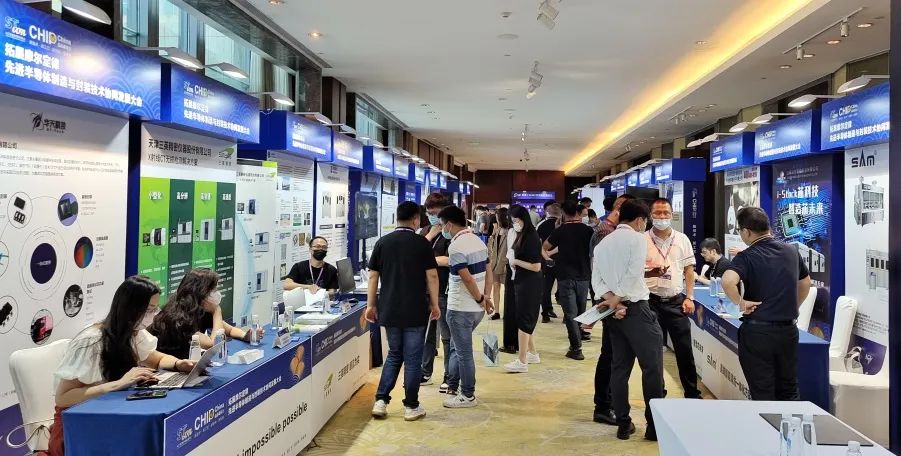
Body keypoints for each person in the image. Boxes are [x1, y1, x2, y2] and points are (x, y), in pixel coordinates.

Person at [49, 276, 195, 456]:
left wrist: (178, 363)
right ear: (130, 308)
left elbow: (155, 359)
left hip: (111, 414)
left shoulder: (134, 333)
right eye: (149, 309)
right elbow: (63, 398)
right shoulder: (91, 342)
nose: (153, 314)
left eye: (155, 308)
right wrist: (118, 384)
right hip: (78, 426)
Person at [721, 207, 811, 401]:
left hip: (758, 333)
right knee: (789, 389)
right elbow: (806, 283)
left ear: (746, 232)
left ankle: (766, 421)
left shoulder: (746, 256)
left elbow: (727, 281)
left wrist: (740, 302)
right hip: (788, 331)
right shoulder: (791, 251)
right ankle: (790, 421)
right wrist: (793, 306)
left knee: (763, 391)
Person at [592, 199, 663, 441]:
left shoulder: (604, 242)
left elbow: (596, 281)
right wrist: (618, 300)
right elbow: (633, 275)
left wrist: (612, 301)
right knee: (652, 368)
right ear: (640, 220)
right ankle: (654, 426)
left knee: (620, 368)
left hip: (615, 313)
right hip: (637, 311)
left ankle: (623, 423)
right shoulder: (637, 239)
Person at [367, 201, 440, 421]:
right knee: (413, 358)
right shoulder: (421, 243)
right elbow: (432, 276)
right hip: (415, 308)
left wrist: (371, 305)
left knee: (394, 354)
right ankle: (411, 406)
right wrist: (435, 303)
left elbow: (373, 276)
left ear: (397, 218)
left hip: (389, 307)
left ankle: (381, 401)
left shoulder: (383, 242)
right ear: (416, 219)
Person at [439, 205, 495, 408]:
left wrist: (480, 298)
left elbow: (467, 279)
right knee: (457, 348)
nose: (442, 229)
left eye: (442, 225)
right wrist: (486, 297)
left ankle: (468, 394)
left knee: (463, 353)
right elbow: (488, 271)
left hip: (460, 308)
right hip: (476, 310)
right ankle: (453, 385)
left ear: (449, 224)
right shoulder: (478, 241)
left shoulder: (455, 247)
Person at [645, 198, 701, 399]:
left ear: (672, 214)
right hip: (650, 302)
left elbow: (689, 270)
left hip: (676, 302)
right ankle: (658, 394)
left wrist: (690, 297)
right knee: (653, 353)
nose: (662, 217)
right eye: (657, 213)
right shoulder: (642, 240)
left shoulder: (682, 239)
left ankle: (692, 394)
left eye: (665, 213)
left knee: (685, 351)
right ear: (650, 215)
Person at [588, 193, 635, 426]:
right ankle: (604, 406)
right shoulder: (606, 233)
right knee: (611, 355)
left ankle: (611, 402)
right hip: (612, 304)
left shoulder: (615, 232)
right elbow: (604, 274)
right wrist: (615, 301)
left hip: (619, 302)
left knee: (617, 356)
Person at [149, 269, 260, 359]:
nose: (217, 293)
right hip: (166, 369)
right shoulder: (178, 318)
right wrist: (217, 311)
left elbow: (230, 330)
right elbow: (214, 344)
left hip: (185, 363)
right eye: (213, 290)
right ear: (201, 293)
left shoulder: (201, 309)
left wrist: (245, 336)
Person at [544, 200, 595, 361]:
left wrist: (549, 258)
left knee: (570, 313)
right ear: (578, 213)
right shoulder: (588, 230)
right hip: (584, 276)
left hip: (565, 276)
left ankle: (576, 348)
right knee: (581, 312)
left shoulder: (560, 231)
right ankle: (578, 341)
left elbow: (545, 247)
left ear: (564, 213)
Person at [419, 193, 453, 392]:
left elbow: (451, 260)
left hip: (443, 289)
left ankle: (449, 375)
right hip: (423, 290)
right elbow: (413, 252)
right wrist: (430, 236)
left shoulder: (450, 232)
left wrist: (427, 260)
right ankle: (425, 372)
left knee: (447, 335)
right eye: (429, 212)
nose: (432, 215)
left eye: (435, 212)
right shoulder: (425, 231)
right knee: (427, 334)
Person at [503, 205, 543, 373]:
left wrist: (516, 262)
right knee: (524, 318)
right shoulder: (522, 234)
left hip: (529, 283)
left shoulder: (532, 237)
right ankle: (532, 353)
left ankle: (522, 361)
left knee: (524, 320)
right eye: (512, 221)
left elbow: (536, 266)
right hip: (522, 280)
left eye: (516, 220)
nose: (514, 223)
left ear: (523, 219)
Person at [536, 203, 562, 323]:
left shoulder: (541, 225)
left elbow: (538, 244)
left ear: (548, 212)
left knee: (545, 288)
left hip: (545, 261)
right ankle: (567, 315)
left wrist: (546, 255)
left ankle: (545, 314)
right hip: (561, 260)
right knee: (563, 287)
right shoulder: (563, 225)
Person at [487, 207, 511, 321]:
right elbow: (491, 246)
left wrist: (508, 262)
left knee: (508, 290)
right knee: (496, 287)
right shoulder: (497, 230)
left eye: (497, 217)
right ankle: (497, 312)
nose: (496, 219)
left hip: (505, 263)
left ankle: (508, 311)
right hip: (495, 263)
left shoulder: (510, 232)